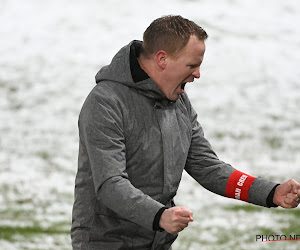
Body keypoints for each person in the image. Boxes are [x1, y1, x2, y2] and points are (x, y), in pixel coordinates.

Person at [71, 15, 300, 250]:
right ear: (162, 59)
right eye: (192, 65)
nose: (198, 74)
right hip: (105, 243)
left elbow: (207, 166)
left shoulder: (179, 101)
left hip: (158, 241)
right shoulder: (105, 103)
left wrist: (272, 193)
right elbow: (110, 184)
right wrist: (160, 216)